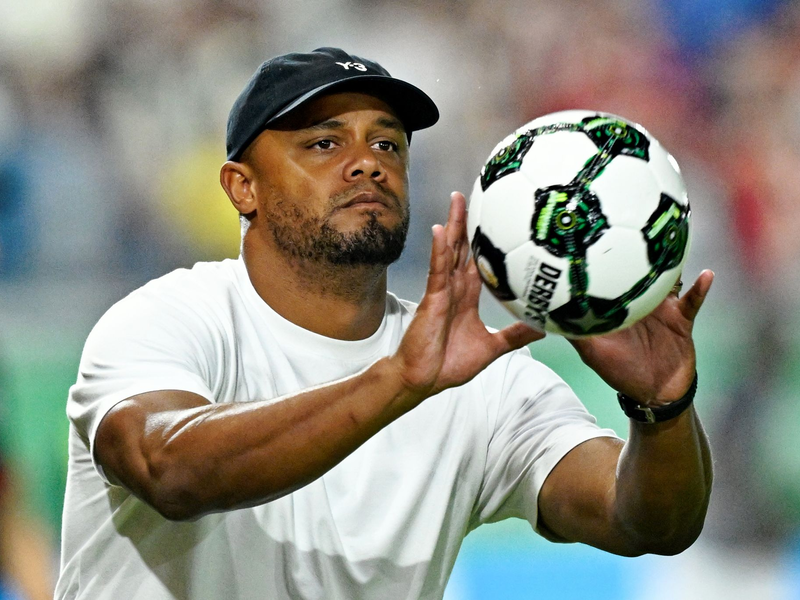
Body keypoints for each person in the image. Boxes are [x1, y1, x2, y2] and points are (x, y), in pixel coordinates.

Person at [56, 47, 714, 599]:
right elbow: (168, 468)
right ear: (241, 187)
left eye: (387, 143)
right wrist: (397, 382)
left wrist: (662, 408)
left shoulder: (478, 378)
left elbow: (646, 525)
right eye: (322, 142)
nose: (366, 160)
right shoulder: (171, 321)